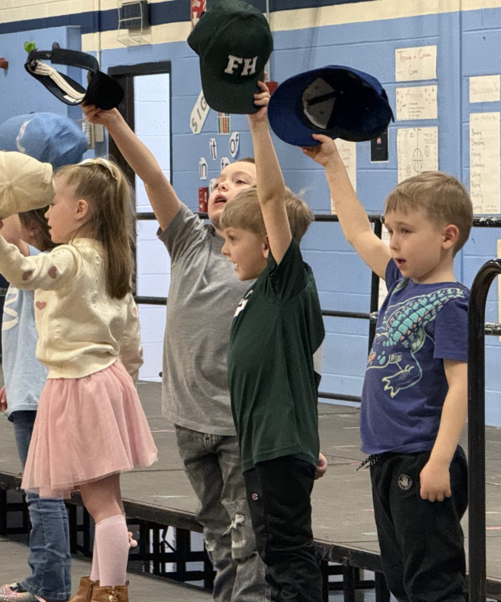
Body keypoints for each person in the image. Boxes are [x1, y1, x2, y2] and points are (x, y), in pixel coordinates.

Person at [82, 105, 266, 601]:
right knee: (217, 536)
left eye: (241, 180)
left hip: (239, 425)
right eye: (221, 179)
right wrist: (112, 121)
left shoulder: (267, 257)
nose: (224, 185)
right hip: (188, 419)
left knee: (249, 541)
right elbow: (151, 174)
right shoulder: (189, 240)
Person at [0, 157, 157, 602]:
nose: (45, 212)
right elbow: (131, 339)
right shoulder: (113, 262)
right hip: (106, 380)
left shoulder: (72, 258)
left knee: (100, 503)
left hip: (80, 384)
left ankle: (111, 591)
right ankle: (97, 586)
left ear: (81, 209)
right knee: (105, 499)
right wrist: (122, 387)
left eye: (52, 202)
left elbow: (25, 273)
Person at [304, 135, 472, 602]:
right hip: (385, 457)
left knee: (432, 584)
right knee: (400, 580)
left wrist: (439, 462)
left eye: (405, 231)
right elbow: (358, 231)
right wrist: (332, 162)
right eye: (391, 230)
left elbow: (461, 386)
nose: (392, 242)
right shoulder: (400, 283)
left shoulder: (452, 303)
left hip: (422, 458)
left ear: (447, 236)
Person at [219, 82, 326, 602]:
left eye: (232, 238)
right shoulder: (258, 298)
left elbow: (267, 199)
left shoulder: (285, 285)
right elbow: (304, 372)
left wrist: (258, 125)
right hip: (269, 449)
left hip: (279, 451)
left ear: (268, 241)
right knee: (276, 554)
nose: (225, 249)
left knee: (288, 557)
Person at [0, 208, 72, 602]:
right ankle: (44, 577)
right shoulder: (33, 267)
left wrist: (0, 198)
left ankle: (51, 585)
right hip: (27, 391)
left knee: (44, 496)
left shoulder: (38, 264)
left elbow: (11, 240)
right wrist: (11, 382)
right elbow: (24, 334)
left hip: (39, 397)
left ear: (33, 229)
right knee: (38, 495)